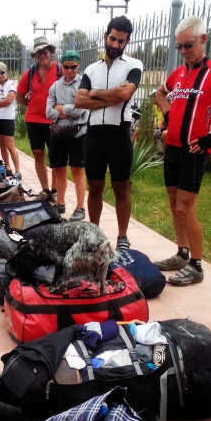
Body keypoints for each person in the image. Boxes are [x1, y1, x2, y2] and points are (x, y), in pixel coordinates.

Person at [154, 16, 211, 286]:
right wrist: (167, 114)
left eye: (187, 45)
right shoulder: (178, 74)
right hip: (172, 149)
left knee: (185, 208)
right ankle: (181, 253)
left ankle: (197, 266)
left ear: (203, 39)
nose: (183, 52)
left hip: (194, 151)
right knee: (174, 205)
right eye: (179, 47)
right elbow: (158, 93)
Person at [74, 16, 143, 250]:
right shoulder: (91, 69)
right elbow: (78, 100)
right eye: (112, 39)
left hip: (119, 134)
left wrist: (93, 94)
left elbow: (124, 95)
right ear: (106, 36)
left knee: (121, 188)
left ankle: (122, 236)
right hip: (94, 135)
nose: (115, 45)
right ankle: (94, 234)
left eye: (121, 41)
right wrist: (108, 96)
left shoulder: (134, 65)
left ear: (127, 41)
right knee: (94, 188)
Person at [16, 36, 61, 199]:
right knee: (38, 155)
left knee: (55, 157)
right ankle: (45, 189)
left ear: (51, 52)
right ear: (35, 55)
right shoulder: (30, 73)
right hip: (33, 120)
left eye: (46, 51)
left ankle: (55, 191)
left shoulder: (59, 71)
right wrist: (32, 105)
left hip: (54, 121)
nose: (43, 55)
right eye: (39, 52)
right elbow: (19, 95)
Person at [46, 50, 88, 220]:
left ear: (78, 66)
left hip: (78, 133)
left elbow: (80, 109)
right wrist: (67, 110)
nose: (70, 70)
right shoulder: (55, 86)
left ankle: (80, 207)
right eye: (66, 67)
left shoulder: (83, 85)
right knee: (59, 169)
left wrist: (61, 109)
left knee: (77, 170)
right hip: (58, 133)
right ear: (62, 67)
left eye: (74, 67)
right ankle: (60, 203)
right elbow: (48, 112)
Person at [0, 61, 20, 178]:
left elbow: (9, 101)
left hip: (8, 119)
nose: (0, 76)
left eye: (2, 73)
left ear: (6, 72)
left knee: (10, 146)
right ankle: (8, 168)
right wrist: (1, 102)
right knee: (2, 146)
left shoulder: (12, 84)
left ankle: (17, 171)